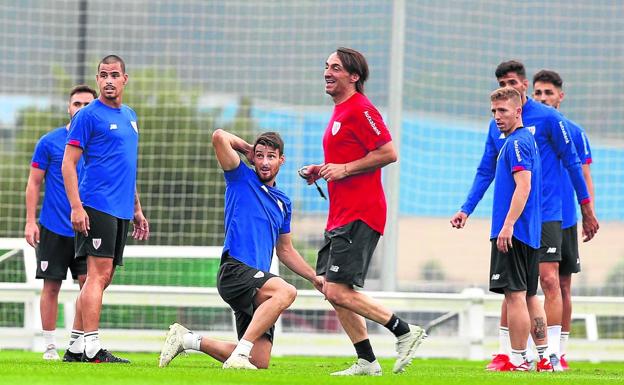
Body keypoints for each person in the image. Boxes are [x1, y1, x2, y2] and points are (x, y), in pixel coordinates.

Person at [450, 60, 599, 371]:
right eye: (503, 84)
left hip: (544, 215)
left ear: (523, 87)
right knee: (521, 290)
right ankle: (523, 354)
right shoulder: (499, 127)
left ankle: (548, 354)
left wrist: (586, 209)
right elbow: (485, 170)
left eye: (513, 83)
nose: (509, 89)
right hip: (518, 218)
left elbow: (573, 164)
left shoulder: (546, 121)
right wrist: (467, 208)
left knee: (543, 284)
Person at [301, 47, 426, 376]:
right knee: (329, 287)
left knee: (337, 289)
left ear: (354, 77)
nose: (328, 72)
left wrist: (343, 169)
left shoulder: (361, 109)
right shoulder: (339, 111)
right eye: (326, 66)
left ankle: (404, 331)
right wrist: (323, 169)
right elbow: (346, 160)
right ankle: (367, 361)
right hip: (340, 214)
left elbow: (388, 152)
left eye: (336, 68)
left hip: (361, 212)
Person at [158, 129, 323, 370]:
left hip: (258, 285)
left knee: (259, 361)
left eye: (271, 156)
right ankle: (240, 354)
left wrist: (313, 277)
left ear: (282, 160)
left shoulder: (283, 202)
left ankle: (187, 339)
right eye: (260, 156)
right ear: (253, 158)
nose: (265, 162)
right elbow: (218, 136)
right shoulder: (240, 177)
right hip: (235, 271)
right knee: (286, 292)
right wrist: (248, 150)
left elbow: (285, 250)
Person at [62, 55, 149, 363]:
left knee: (104, 275)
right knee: (96, 276)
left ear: (125, 78)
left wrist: (137, 208)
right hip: (96, 203)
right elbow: (68, 164)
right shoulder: (88, 116)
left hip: (121, 208)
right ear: (97, 79)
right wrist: (76, 206)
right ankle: (92, 347)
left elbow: (125, 166)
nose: (109, 80)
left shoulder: (131, 115)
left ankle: (75, 345)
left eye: (114, 74)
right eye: (103, 75)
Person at [25, 85, 96, 360]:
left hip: (88, 227)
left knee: (88, 284)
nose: (81, 108)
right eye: (76, 103)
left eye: (87, 104)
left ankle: (79, 345)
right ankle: (50, 346)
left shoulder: (99, 145)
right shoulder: (49, 141)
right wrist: (30, 221)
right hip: (53, 227)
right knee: (51, 286)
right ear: (69, 108)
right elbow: (33, 183)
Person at [532, 69, 595, 370]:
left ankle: (560, 351)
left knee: (564, 285)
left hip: (567, 218)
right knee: (542, 282)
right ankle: (536, 351)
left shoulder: (574, 131)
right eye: (538, 93)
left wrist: (588, 213)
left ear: (560, 96)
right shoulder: (530, 129)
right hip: (540, 218)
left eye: (548, 93)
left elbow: (583, 173)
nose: (543, 98)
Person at [486, 86, 543, 370]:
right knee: (530, 296)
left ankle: (518, 359)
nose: (497, 117)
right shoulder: (522, 141)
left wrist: (507, 225)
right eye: (494, 111)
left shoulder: (517, 143)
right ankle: (545, 356)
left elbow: (524, 186)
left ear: (518, 111)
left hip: (514, 232)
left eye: (503, 111)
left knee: (515, 295)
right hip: (529, 232)